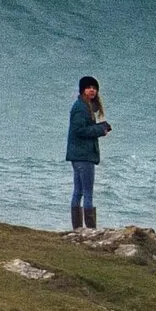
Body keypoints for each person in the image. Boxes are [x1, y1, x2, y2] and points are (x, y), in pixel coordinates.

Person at [65, 74, 110, 232]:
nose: (92, 90)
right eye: (89, 87)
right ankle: (90, 231)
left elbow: (81, 129)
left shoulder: (84, 106)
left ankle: (77, 230)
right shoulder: (81, 108)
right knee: (87, 193)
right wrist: (101, 129)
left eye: (94, 88)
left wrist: (99, 127)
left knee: (78, 191)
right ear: (83, 90)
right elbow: (79, 130)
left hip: (78, 155)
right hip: (83, 156)